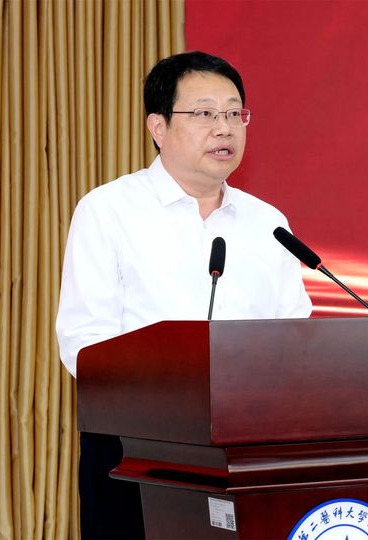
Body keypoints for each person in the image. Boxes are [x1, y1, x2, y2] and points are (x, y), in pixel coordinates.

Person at [55, 51, 312, 539]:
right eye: (204, 113)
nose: (224, 128)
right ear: (158, 126)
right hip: (137, 447)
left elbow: (294, 337)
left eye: (234, 113)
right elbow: (84, 343)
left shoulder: (268, 223)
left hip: (251, 445)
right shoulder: (109, 211)